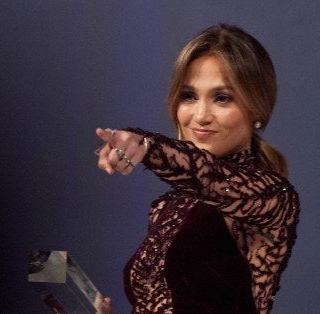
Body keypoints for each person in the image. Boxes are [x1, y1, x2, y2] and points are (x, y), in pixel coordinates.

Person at [94, 23, 300, 313]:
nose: (201, 116)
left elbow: (207, 176)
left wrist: (144, 145)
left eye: (222, 98)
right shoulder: (167, 206)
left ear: (257, 108)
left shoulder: (272, 197)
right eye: (189, 96)